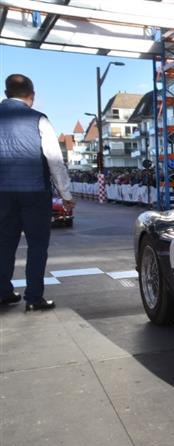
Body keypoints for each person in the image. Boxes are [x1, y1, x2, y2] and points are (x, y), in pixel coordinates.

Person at [0, 74, 75, 312]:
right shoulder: (39, 119)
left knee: (4, 244)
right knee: (37, 245)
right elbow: (55, 160)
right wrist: (66, 195)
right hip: (35, 191)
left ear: (6, 94)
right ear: (32, 96)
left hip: (2, 193)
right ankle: (33, 298)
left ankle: (3, 292)